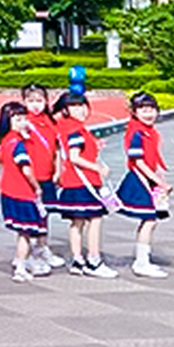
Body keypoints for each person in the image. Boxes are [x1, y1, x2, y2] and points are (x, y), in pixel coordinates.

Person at [53, 93, 115, 279]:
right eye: (75, 106)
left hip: (72, 182)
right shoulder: (76, 131)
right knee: (95, 219)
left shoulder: (68, 128)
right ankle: (94, 260)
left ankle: (77, 260)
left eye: (83, 105)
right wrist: (97, 167)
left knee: (77, 222)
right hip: (84, 182)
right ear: (65, 110)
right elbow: (74, 157)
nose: (81, 110)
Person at [0, 102, 51, 282]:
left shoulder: (5, 142)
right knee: (25, 233)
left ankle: (24, 261)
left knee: (23, 232)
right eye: (18, 119)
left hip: (7, 191)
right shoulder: (18, 144)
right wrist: (36, 187)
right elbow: (26, 170)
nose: (23, 123)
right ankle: (21, 265)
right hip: (22, 193)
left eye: (24, 119)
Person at [119, 93, 171, 278]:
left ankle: (143, 260)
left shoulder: (149, 133)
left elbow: (153, 159)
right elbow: (138, 162)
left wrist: (159, 178)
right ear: (134, 112)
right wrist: (160, 183)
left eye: (152, 109)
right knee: (149, 220)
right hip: (139, 180)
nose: (148, 113)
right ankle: (141, 262)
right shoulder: (136, 133)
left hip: (147, 179)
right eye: (143, 109)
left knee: (150, 220)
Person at [20, 83, 61, 269]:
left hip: (47, 176)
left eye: (39, 100)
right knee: (29, 216)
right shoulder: (23, 122)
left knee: (45, 214)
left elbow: (57, 150)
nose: (35, 105)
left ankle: (42, 247)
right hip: (29, 178)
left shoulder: (50, 121)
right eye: (31, 101)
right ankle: (24, 254)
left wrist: (58, 170)